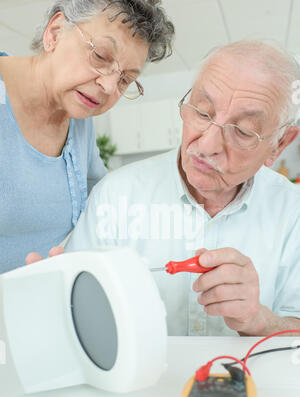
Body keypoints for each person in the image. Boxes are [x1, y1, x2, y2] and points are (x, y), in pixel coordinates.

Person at [28, 40, 300, 337]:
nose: (206, 146)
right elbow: (73, 311)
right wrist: (56, 302)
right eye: (203, 112)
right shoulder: (116, 195)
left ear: (280, 144)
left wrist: (261, 321)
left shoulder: (292, 212)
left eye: (243, 131)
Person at [0, 0, 174, 274]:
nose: (107, 86)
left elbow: (101, 194)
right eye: (101, 56)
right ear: (55, 32)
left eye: (124, 79)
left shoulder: (78, 117)